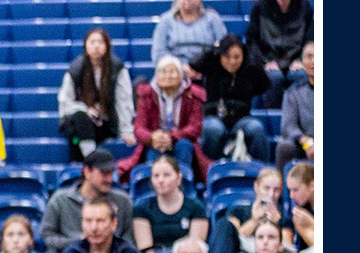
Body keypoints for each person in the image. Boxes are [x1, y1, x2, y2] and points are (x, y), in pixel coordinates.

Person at [118, 55, 205, 182]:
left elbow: (195, 127)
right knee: (153, 151)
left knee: (184, 146)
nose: (168, 76)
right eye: (163, 72)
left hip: (181, 140)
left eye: (172, 72)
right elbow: (139, 128)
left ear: (181, 75)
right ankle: (153, 189)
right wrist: (153, 137)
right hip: (155, 142)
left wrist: (172, 137)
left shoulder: (193, 95)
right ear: (157, 75)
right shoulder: (146, 95)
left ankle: (183, 186)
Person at [40, 149, 136, 253]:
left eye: (111, 173)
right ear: (87, 172)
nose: (109, 179)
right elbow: (46, 235)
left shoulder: (123, 201)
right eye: (104, 173)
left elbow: (129, 239)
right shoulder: (60, 200)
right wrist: (77, 242)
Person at [57, 27, 135, 161]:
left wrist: (126, 131)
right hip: (81, 123)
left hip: (107, 123)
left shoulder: (117, 68)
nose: (96, 46)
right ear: (85, 46)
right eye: (92, 42)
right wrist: (85, 110)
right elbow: (65, 103)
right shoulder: (75, 69)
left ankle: (90, 164)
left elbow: (124, 101)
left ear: (107, 46)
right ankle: (92, 161)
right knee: (80, 120)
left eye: (100, 42)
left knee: (80, 133)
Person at [191, 34, 272, 162]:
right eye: (227, 57)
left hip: (241, 118)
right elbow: (194, 64)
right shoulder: (212, 64)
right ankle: (210, 169)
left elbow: (265, 85)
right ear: (220, 55)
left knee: (256, 127)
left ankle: (262, 169)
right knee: (213, 129)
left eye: (237, 57)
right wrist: (213, 49)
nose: (232, 62)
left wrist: (252, 58)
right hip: (214, 117)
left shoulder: (249, 68)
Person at [244, 0, 312, 92]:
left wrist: (301, 60)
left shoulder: (305, 7)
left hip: (296, 63)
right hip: (269, 62)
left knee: (302, 75)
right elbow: (251, 40)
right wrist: (265, 62)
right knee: (272, 77)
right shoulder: (259, 7)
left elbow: (310, 38)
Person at [131, 154, 208, 253]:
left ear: (178, 178)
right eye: (156, 176)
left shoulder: (196, 207)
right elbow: (146, 250)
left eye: (166, 175)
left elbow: (195, 248)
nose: (161, 180)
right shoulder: (141, 208)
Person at [212, 165, 285, 253]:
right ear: (256, 186)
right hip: (242, 249)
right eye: (267, 188)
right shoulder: (239, 210)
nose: (271, 194)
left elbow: (287, 245)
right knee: (224, 223)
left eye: (276, 190)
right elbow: (233, 236)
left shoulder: (283, 214)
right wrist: (255, 220)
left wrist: (277, 224)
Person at [151, 0, 227, 69]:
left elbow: (224, 48)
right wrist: (182, 68)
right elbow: (158, 53)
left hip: (207, 70)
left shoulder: (213, 18)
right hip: (175, 70)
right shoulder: (166, 20)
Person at [275, 39, 314, 168]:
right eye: (309, 57)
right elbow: (288, 126)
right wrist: (306, 142)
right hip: (305, 144)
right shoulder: (293, 92)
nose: (314, 61)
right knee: (285, 147)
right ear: (302, 61)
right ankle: (280, 187)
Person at [284, 162, 314, 253]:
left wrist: (311, 224)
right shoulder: (299, 207)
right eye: (290, 190)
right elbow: (286, 230)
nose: (291, 195)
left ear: (312, 185)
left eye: (295, 190)